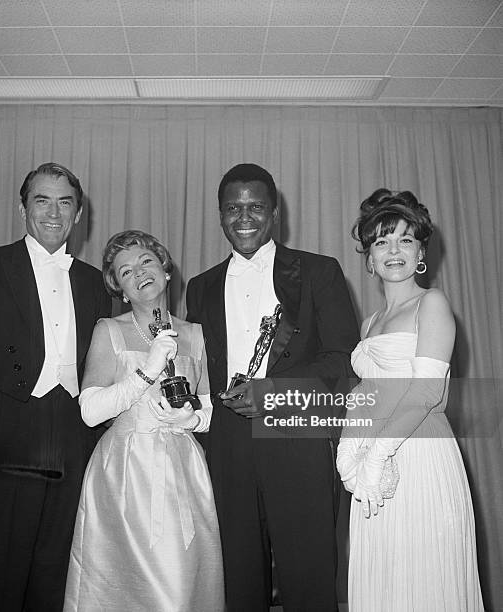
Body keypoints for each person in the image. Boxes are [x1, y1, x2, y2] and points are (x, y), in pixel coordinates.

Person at [0, 163, 111, 611]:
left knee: (55, 587)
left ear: (79, 213)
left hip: (72, 449)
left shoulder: (92, 282)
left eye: (65, 202)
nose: (54, 212)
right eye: (42, 201)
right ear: (22, 208)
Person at [186, 163, 359, 611]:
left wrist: (268, 393)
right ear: (219, 214)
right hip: (226, 447)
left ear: (275, 212)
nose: (244, 218)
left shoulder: (319, 271)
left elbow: (342, 360)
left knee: (309, 575)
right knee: (238, 580)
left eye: (256, 207)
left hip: (296, 438)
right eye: (233, 208)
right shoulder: (199, 287)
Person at [336, 188, 484, 611]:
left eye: (404, 239)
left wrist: (379, 454)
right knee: (384, 575)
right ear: (369, 258)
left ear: (421, 250)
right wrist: (350, 454)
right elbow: (364, 396)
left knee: (424, 576)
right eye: (381, 241)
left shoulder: (431, 302)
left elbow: (426, 392)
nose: (393, 250)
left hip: (419, 452)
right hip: (372, 466)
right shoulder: (369, 323)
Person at [63, 230, 224, 612]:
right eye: (125, 271)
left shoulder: (195, 334)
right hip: (124, 472)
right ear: (120, 289)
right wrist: (146, 371)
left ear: (166, 271)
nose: (139, 273)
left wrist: (192, 419)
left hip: (184, 470)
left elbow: (209, 407)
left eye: (146, 262)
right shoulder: (109, 330)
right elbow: (90, 411)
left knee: (182, 581)